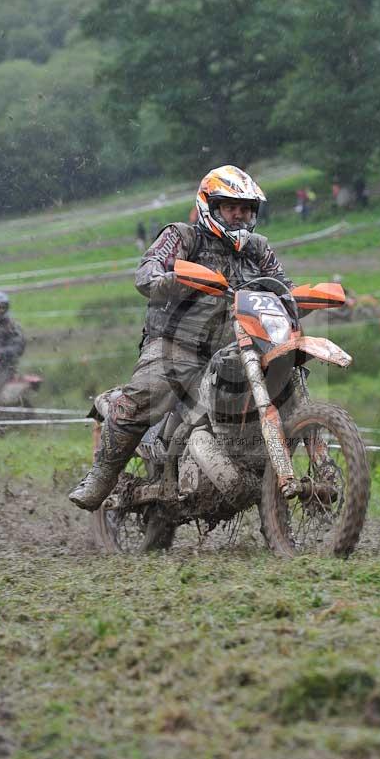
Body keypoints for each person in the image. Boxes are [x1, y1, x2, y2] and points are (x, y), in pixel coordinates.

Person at [69, 165, 295, 511]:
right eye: (230, 207)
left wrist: (298, 301)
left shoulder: (258, 249)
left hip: (239, 347)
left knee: (288, 376)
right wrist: (173, 279)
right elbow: (147, 273)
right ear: (210, 207)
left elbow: (282, 286)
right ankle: (102, 475)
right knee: (146, 395)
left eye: (246, 208)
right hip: (178, 346)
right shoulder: (182, 237)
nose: (239, 215)